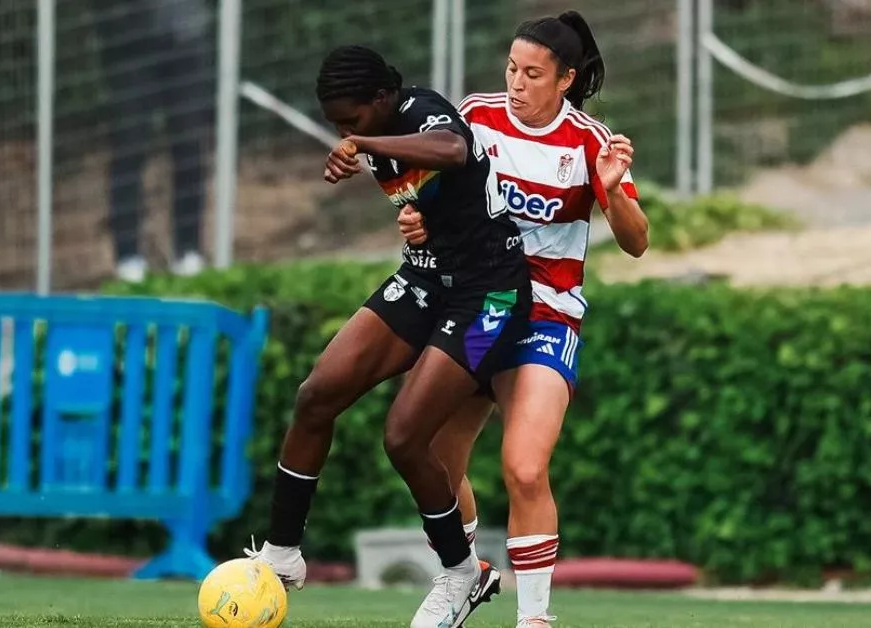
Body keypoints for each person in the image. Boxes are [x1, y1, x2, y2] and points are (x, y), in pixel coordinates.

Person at [246, 45, 531, 628]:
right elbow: (432, 203)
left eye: (351, 119)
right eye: (336, 124)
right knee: (316, 395)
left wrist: (365, 144)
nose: (344, 132)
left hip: (491, 297)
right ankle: (281, 557)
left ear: (381, 100)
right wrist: (412, 214)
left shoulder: (423, 112)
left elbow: (454, 148)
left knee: (404, 437)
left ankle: (461, 574)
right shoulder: (372, 132)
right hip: (427, 278)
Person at [398, 12, 648, 627]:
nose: (516, 82)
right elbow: (431, 199)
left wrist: (612, 192)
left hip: (543, 313)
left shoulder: (590, 141)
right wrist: (418, 222)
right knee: (433, 455)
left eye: (533, 73)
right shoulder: (476, 117)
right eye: (512, 67)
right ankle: (465, 576)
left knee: (525, 467)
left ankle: (534, 619)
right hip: (482, 307)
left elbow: (637, 242)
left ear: (565, 79)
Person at [92, 0, 214, 282]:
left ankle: (188, 250)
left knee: (188, 146)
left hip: (186, 38)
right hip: (129, 42)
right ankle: (127, 256)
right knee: (129, 147)